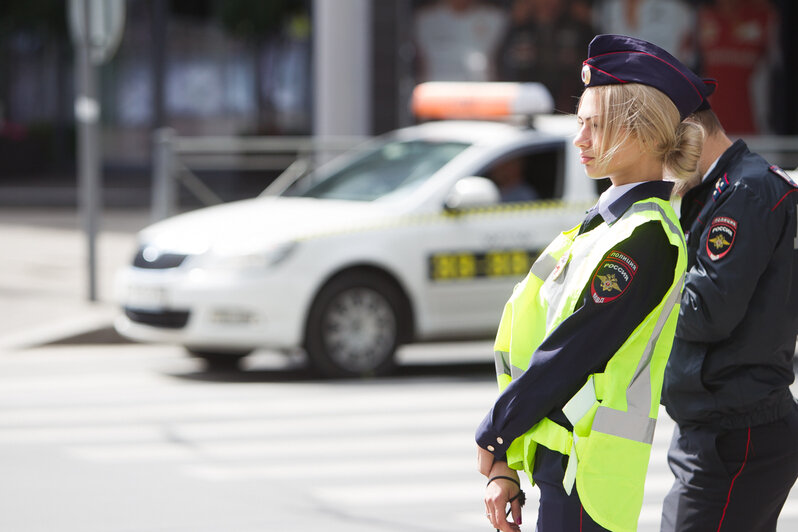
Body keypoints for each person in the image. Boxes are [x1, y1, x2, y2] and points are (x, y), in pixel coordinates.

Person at [475, 34, 707, 532]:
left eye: (595, 126)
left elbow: (570, 353)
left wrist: (495, 437)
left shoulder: (646, 237)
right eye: (579, 123)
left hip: (588, 476)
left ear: (642, 135)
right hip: (562, 462)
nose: (579, 139)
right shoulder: (605, 225)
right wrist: (508, 457)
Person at [659, 87, 798, 530]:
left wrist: (647, 289)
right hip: (722, 424)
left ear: (691, 133)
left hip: (736, 433)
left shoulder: (745, 190)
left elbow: (705, 312)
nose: (659, 165)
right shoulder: (721, 186)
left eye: (663, 148)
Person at [495, 0, 594, 112]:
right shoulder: (520, 27)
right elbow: (501, 66)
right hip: (525, 108)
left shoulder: (577, 26)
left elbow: (593, 67)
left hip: (570, 109)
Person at [413, 0, 507, 82]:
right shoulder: (424, 19)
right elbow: (421, 62)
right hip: (435, 95)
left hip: (480, 94)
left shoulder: (496, 18)